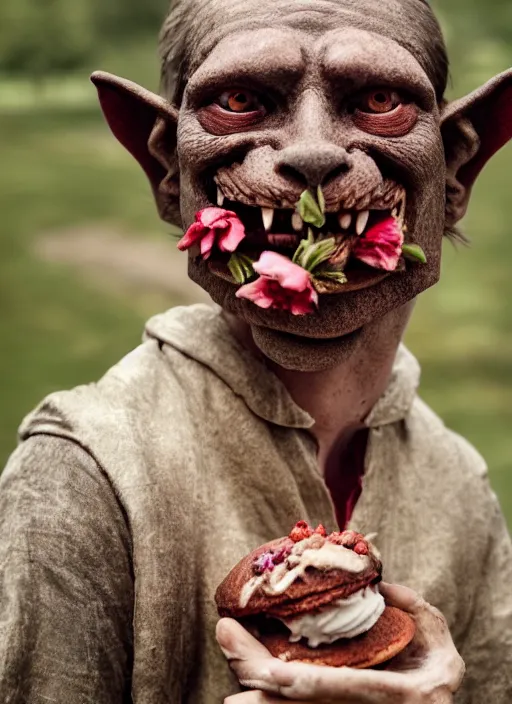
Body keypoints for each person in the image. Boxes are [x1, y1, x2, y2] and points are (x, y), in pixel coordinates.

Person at [0, 0, 511, 702]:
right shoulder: (90, 475)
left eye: (378, 100)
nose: (310, 151)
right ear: (169, 173)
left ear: (457, 167)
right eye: (241, 101)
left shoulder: (458, 487)